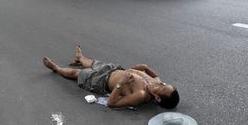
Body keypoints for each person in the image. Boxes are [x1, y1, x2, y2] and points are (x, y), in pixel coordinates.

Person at [43, 45, 179, 109]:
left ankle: (56, 68)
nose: (160, 83)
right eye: (163, 84)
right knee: (91, 63)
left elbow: (111, 103)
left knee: (76, 74)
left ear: (157, 97)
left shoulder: (141, 95)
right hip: (113, 69)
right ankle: (80, 58)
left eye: (161, 87)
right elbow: (157, 76)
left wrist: (121, 83)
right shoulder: (156, 82)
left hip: (102, 81)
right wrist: (146, 67)